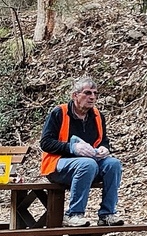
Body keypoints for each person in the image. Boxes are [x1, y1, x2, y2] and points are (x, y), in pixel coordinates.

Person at [39, 76, 126, 227]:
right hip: (57, 166)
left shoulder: (98, 116)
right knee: (87, 164)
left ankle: (107, 214)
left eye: (95, 93)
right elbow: (45, 143)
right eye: (87, 93)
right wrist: (72, 148)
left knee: (113, 164)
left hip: (89, 165)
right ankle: (73, 214)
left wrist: (104, 148)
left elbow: (103, 140)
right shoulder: (59, 113)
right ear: (75, 95)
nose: (92, 97)